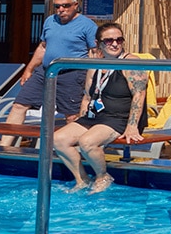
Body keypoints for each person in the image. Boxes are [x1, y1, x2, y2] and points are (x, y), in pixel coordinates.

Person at [52, 23, 147, 194]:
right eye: (109, 40)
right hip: (95, 116)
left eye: (119, 39)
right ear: (99, 43)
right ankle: (82, 180)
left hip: (120, 117)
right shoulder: (95, 64)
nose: (115, 44)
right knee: (58, 139)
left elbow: (139, 95)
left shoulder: (131, 63)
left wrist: (132, 125)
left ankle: (102, 176)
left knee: (87, 142)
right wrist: (80, 119)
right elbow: (88, 96)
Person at [2, 0, 98, 147]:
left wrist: (93, 77)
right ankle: (3, 147)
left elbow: (95, 52)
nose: (61, 10)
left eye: (65, 6)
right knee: (19, 105)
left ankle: (67, 151)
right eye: (57, 6)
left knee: (71, 115)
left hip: (71, 74)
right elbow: (43, 47)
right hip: (45, 71)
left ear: (75, 5)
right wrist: (29, 69)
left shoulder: (87, 26)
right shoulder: (50, 21)